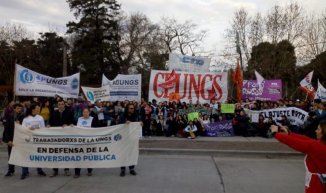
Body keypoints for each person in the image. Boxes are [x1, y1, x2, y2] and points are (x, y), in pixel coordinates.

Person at [271, 120, 326, 193]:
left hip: (317, 185)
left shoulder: (317, 146)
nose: (316, 131)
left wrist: (275, 134)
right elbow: (306, 140)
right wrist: (289, 133)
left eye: (318, 129)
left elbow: (295, 142)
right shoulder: (320, 144)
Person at [48, 99, 75, 177]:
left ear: (64, 104)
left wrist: (67, 125)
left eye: (62, 104)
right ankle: (55, 170)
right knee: (55, 153)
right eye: (59, 104)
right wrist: (49, 125)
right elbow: (50, 122)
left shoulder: (69, 112)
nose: (60, 105)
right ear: (57, 105)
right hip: (55, 137)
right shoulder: (54, 113)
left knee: (65, 153)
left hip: (65, 137)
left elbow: (72, 122)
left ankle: (66, 169)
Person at [21, 103, 47, 179]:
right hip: (28, 140)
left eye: (39, 108)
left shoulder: (40, 118)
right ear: (33, 109)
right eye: (37, 108)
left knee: (38, 155)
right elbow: (22, 129)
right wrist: (29, 128)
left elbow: (43, 128)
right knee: (25, 156)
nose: (39, 109)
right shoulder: (26, 118)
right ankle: (25, 172)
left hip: (37, 140)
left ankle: (39, 170)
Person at [118, 103, 142, 177]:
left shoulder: (136, 116)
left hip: (132, 137)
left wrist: (140, 123)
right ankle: (122, 169)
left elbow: (138, 123)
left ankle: (131, 168)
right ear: (127, 109)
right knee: (124, 153)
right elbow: (119, 125)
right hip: (124, 137)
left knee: (132, 153)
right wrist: (124, 123)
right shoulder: (123, 116)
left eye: (133, 108)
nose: (132, 109)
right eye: (131, 108)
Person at [74, 108, 97, 178]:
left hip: (89, 141)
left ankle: (89, 171)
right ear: (82, 113)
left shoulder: (93, 119)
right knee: (78, 157)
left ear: (89, 113)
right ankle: (77, 172)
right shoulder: (79, 119)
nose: (85, 113)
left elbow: (96, 129)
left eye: (87, 112)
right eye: (84, 112)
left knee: (89, 157)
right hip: (80, 141)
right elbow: (76, 129)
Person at [3, 103, 24, 177]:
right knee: (11, 156)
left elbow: (26, 128)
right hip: (12, 140)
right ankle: (10, 170)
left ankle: (24, 172)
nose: (19, 110)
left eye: (20, 108)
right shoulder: (10, 117)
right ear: (14, 109)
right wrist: (8, 140)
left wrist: (20, 125)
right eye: (18, 108)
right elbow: (6, 130)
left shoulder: (23, 117)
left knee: (23, 155)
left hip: (21, 140)